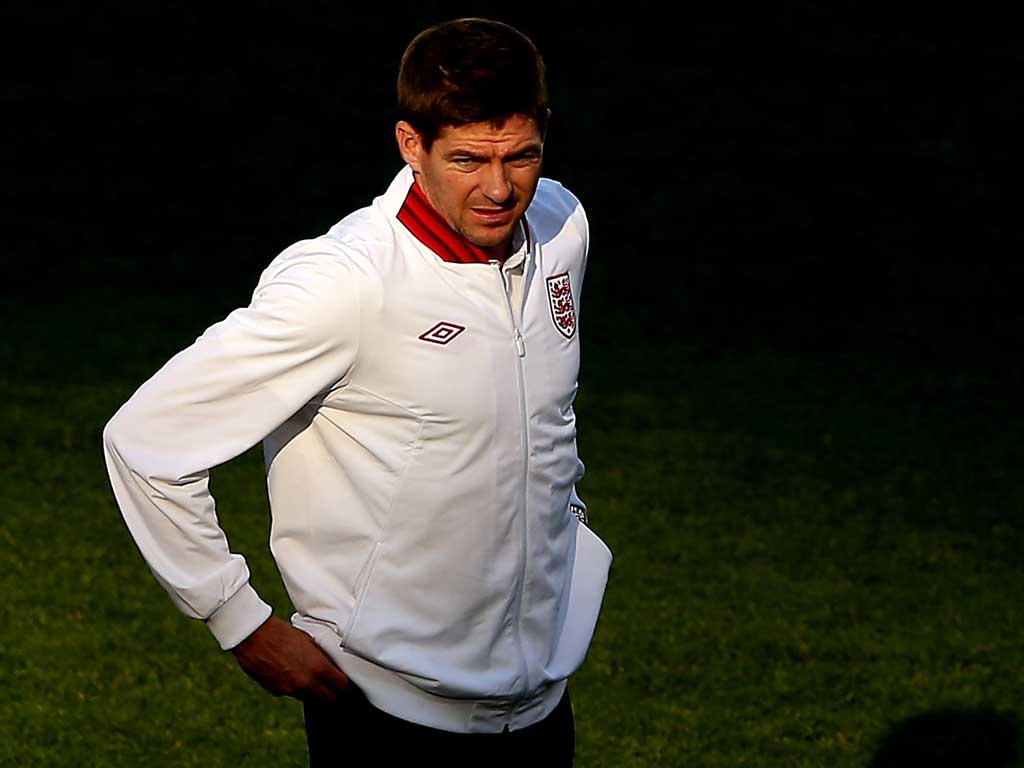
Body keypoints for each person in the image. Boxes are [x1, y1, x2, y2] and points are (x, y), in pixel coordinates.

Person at [102, 17, 611, 766]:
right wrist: (239, 620)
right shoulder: (343, 284)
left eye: (521, 156)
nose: (500, 188)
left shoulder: (563, 225)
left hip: (541, 706)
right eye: (468, 159)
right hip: (383, 715)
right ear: (412, 145)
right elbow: (144, 441)